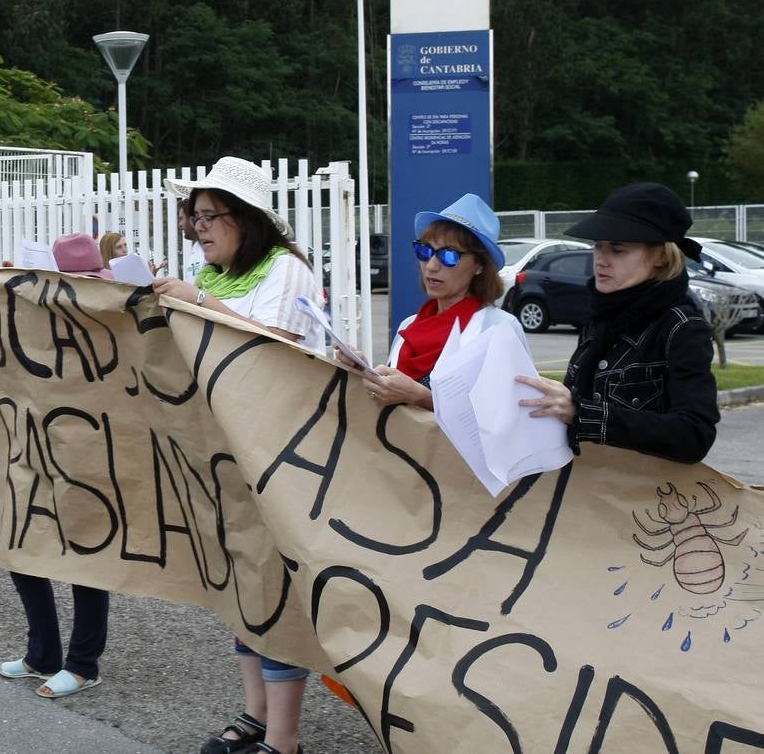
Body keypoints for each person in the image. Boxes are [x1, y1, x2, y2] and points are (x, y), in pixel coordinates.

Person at [151, 156, 317, 754]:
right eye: (194, 217)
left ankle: (284, 735)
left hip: (278, 455)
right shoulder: (213, 273)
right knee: (241, 581)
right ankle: (254, 712)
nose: (199, 228)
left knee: (272, 584)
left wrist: (196, 301)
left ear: (246, 219)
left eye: (210, 216)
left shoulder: (285, 271)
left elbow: (274, 348)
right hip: (224, 451)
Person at [517, 182, 718, 461]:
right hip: (584, 490)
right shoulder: (602, 315)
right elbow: (575, 406)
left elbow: (694, 435)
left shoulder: (681, 327)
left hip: (645, 500)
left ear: (660, 256)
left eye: (617, 249)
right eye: (598, 247)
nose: (601, 260)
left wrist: (582, 414)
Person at [0, 231, 112, 699]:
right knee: (21, 541)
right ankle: (41, 652)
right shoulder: (40, 318)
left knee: (88, 556)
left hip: (92, 450)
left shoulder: (113, 322)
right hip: (39, 443)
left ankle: (84, 663)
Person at [349, 193, 527, 410]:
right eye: (424, 251)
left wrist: (422, 397)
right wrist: (365, 374)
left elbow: (512, 414)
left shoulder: (499, 329)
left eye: (449, 255)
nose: (431, 265)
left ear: (480, 265)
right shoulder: (408, 326)